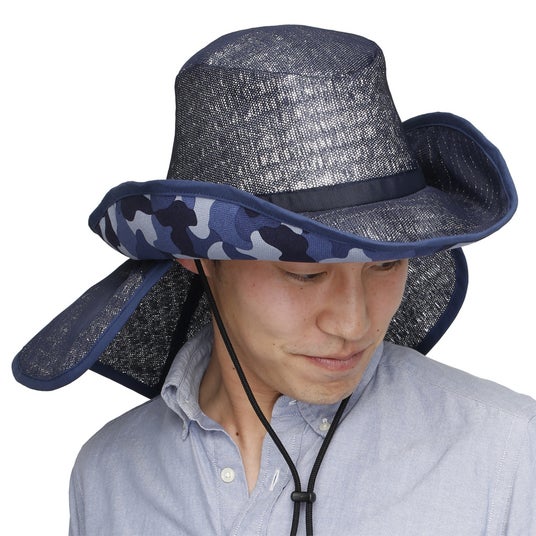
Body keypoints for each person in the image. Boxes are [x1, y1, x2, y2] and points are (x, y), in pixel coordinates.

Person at [12, 25, 535, 535]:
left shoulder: (508, 458)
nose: (354, 323)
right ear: (198, 255)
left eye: (386, 264)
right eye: (305, 273)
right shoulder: (108, 476)